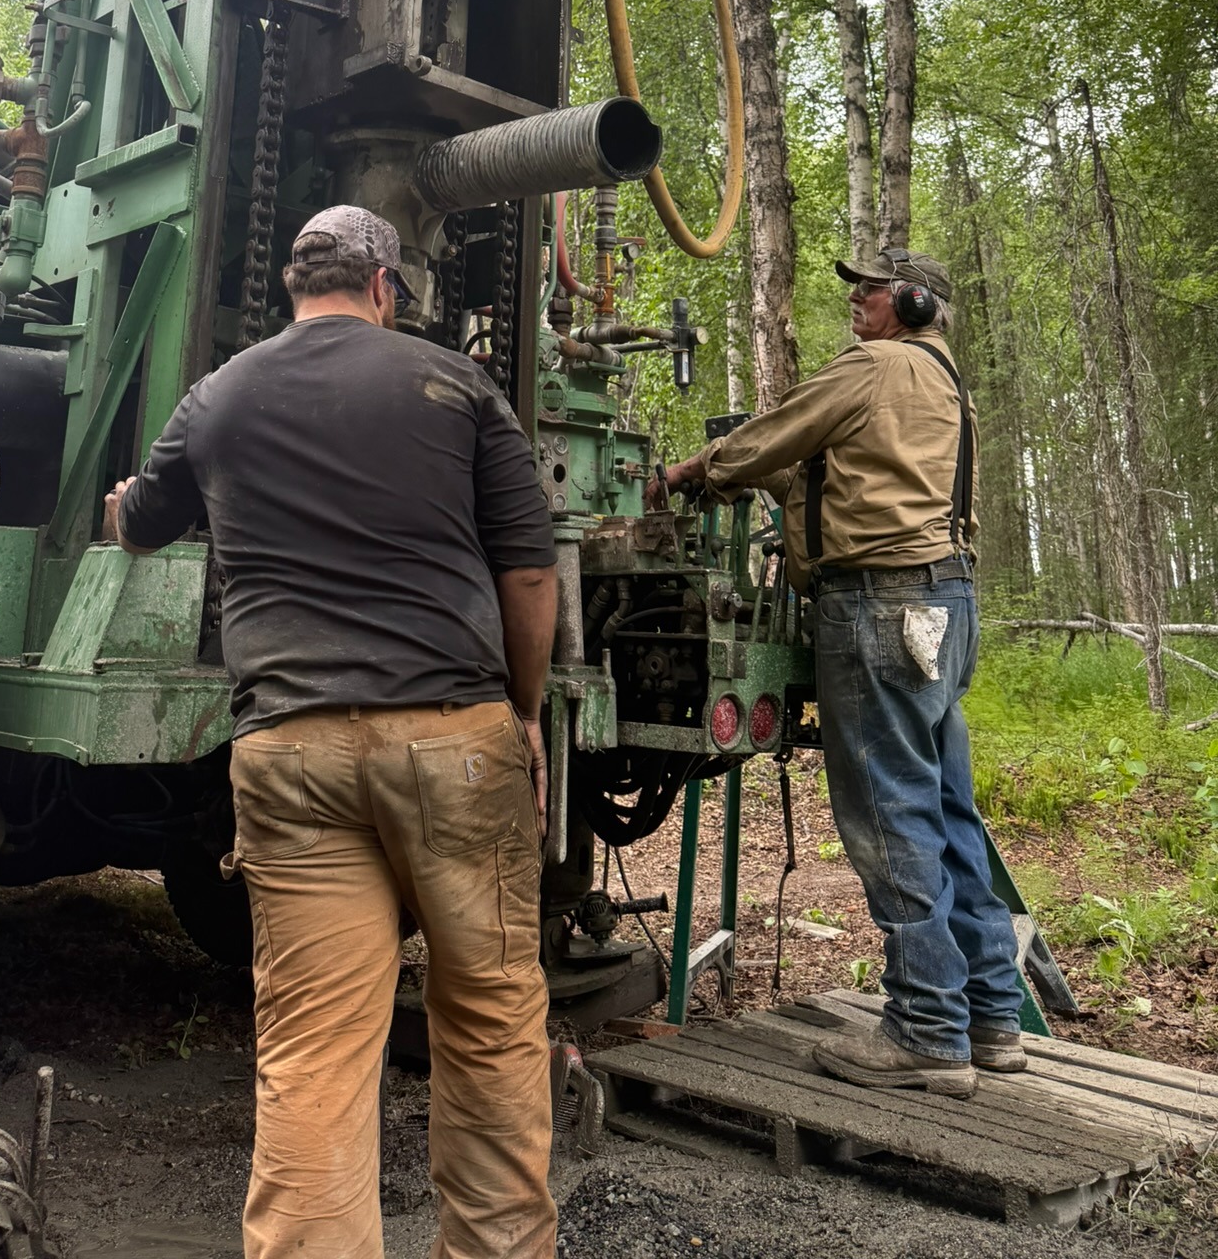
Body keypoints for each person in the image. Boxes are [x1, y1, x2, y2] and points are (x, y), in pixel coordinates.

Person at [104, 205, 559, 1259]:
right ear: (385, 286)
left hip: (290, 750)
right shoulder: (455, 385)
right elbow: (531, 574)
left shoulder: (219, 395)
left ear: (292, 286)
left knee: (313, 1046)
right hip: (452, 738)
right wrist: (526, 714)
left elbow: (139, 525)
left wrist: (125, 503)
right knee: (490, 1018)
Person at [648, 248, 1023, 1097]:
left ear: (915, 301)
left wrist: (689, 473)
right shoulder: (945, 382)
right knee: (947, 808)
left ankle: (926, 1029)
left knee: (890, 813)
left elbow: (774, 434)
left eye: (872, 289)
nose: (857, 299)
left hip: (878, 604)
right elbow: (841, 476)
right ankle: (990, 1015)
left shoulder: (873, 366)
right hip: (946, 602)